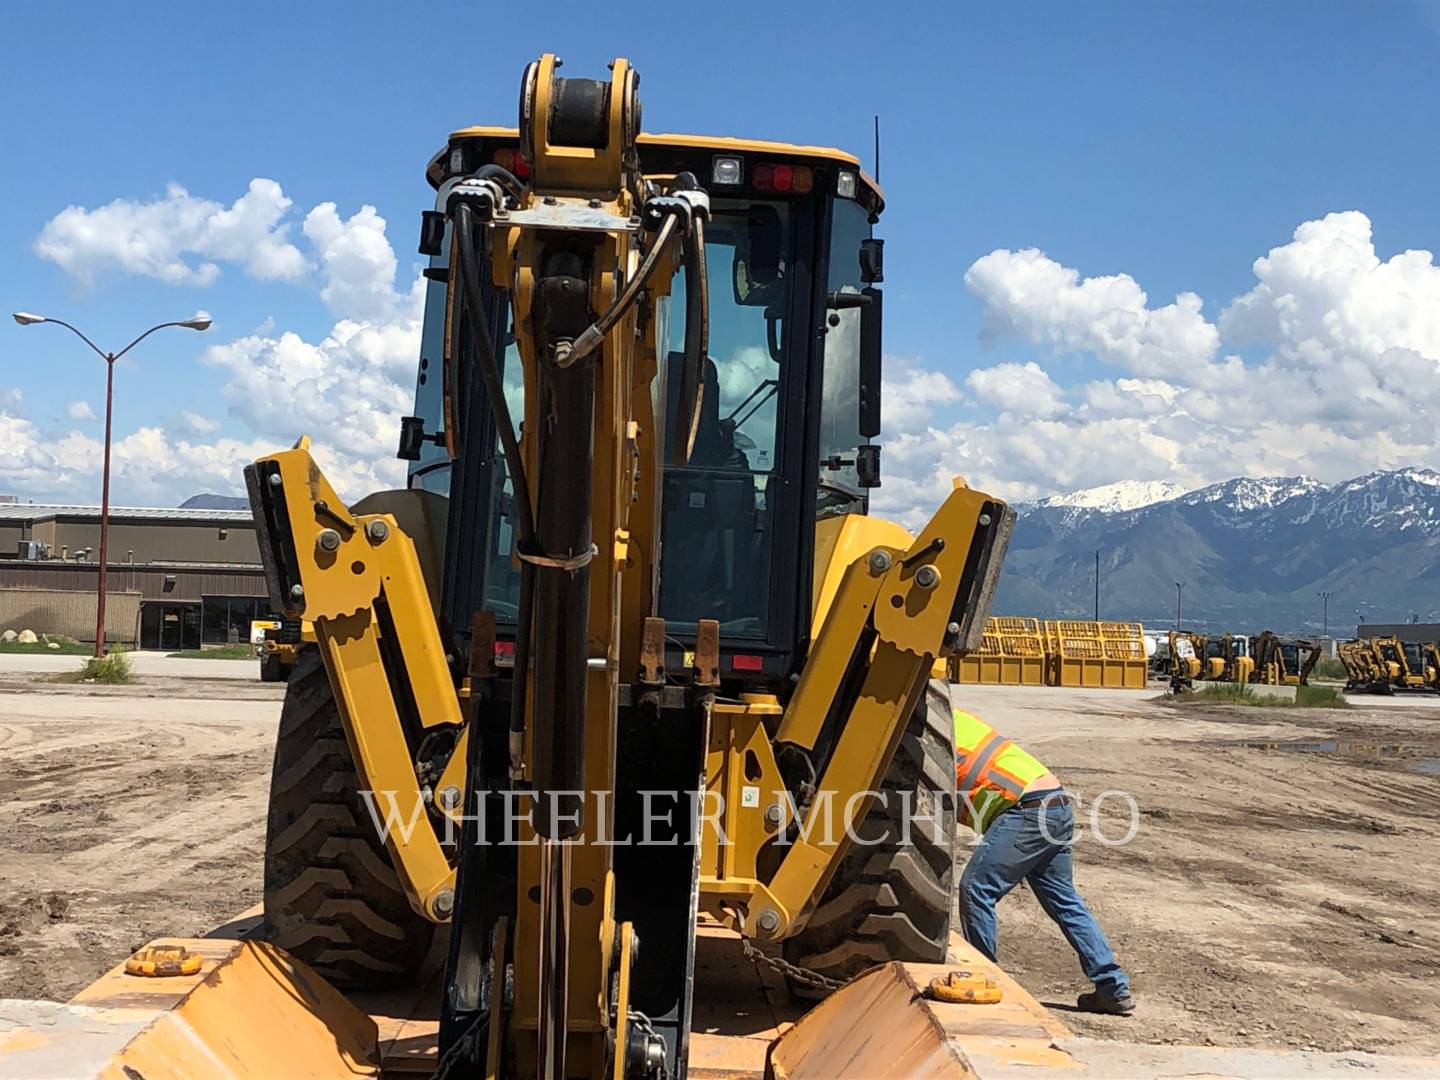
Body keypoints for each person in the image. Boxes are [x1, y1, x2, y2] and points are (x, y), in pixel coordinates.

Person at [952, 707, 1134, 1015]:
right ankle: (1112, 987)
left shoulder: (926, 725)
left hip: (1026, 810)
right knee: (1064, 900)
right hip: (1055, 804)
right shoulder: (956, 718)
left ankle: (985, 978)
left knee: (976, 888)